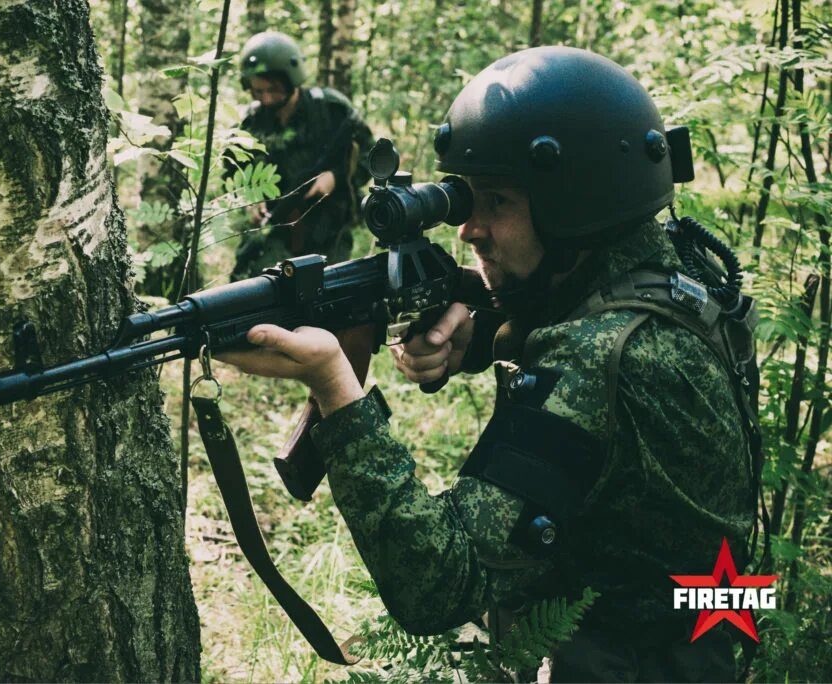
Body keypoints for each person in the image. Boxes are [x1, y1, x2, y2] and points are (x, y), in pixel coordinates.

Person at [220, 46, 760, 682]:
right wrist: (478, 337)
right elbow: (569, 319)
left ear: (578, 205)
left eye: (495, 202)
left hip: (639, 655)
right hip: (714, 609)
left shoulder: (604, 353)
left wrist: (337, 388)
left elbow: (436, 584)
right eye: (461, 200)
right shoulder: (671, 271)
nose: (467, 230)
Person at [229, 31, 375, 280]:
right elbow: (233, 171)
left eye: (273, 90)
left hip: (328, 225)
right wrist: (249, 195)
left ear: (290, 80)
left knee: (330, 290)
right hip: (275, 226)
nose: (265, 98)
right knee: (255, 286)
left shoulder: (330, 111)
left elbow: (371, 157)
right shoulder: (250, 125)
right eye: (257, 91)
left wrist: (335, 178)